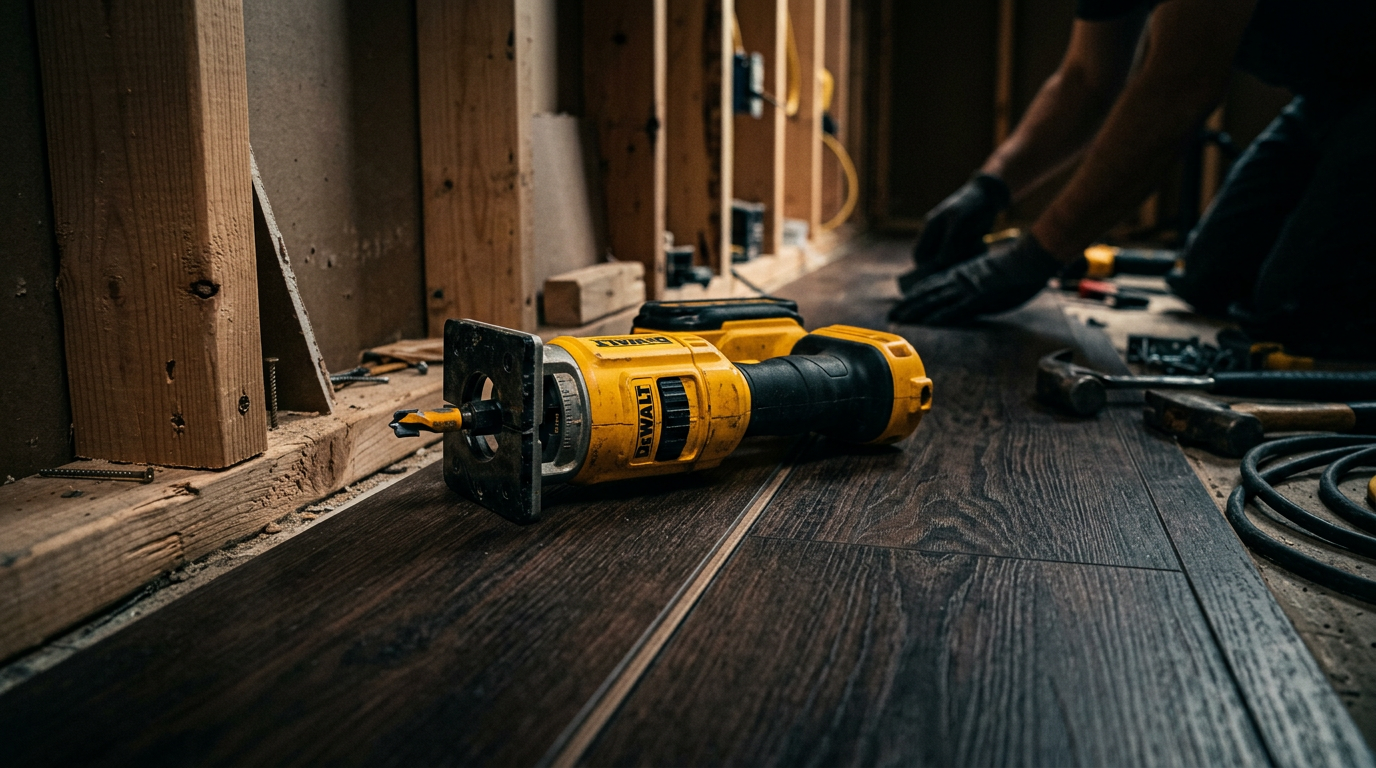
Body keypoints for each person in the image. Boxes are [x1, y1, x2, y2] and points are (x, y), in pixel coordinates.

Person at [891, 0, 1374, 360]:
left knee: (1294, 315)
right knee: (1207, 282)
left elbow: (1177, 92)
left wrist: (1030, 260)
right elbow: (1086, 78)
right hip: (1327, 99)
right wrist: (989, 187)